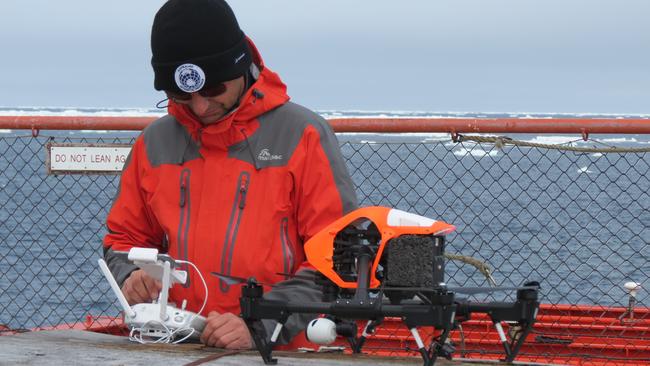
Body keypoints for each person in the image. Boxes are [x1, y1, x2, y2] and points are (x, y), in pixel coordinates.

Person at [102, 0, 358, 350]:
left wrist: (261, 323)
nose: (201, 107)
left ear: (241, 67)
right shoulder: (153, 144)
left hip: (286, 352)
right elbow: (123, 240)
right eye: (180, 95)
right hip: (178, 345)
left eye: (212, 90)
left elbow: (337, 261)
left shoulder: (304, 135)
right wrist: (132, 276)